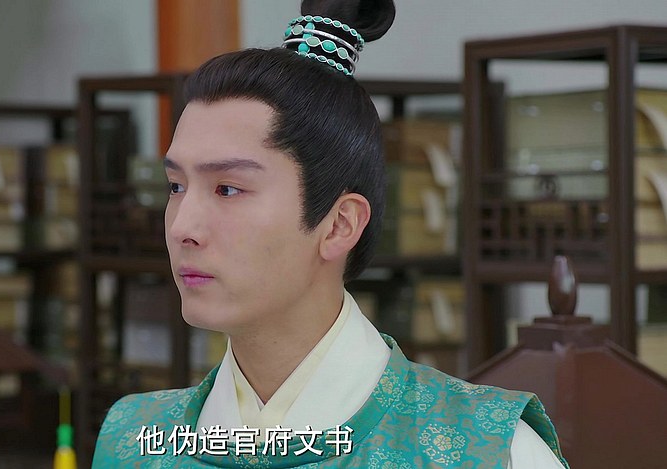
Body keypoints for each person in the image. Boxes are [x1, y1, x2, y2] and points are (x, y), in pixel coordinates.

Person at [93, 0, 569, 467]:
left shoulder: (489, 450)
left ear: (340, 224)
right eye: (176, 186)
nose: (182, 227)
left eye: (228, 189)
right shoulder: (132, 440)